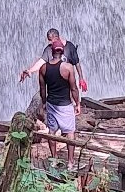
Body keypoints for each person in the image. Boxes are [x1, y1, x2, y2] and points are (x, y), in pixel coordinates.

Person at [39, 39, 81, 168]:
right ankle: (70, 162)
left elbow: (42, 89)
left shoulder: (43, 68)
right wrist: (77, 103)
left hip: (52, 104)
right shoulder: (68, 67)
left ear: (52, 51)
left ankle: (54, 159)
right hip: (65, 105)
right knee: (70, 132)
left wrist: (44, 103)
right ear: (62, 52)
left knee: (52, 131)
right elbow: (73, 88)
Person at [19, 28, 88, 93]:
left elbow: (77, 63)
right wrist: (30, 70)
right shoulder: (49, 49)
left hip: (68, 78)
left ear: (56, 37)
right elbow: (41, 61)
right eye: (49, 40)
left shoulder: (70, 47)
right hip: (56, 81)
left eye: (51, 40)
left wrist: (81, 78)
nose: (50, 42)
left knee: (72, 94)